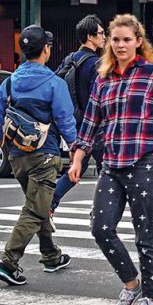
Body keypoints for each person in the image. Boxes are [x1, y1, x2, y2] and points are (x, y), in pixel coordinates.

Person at [68, 14, 153, 305]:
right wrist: (77, 159)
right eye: (115, 39)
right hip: (112, 162)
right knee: (100, 228)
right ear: (109, 43)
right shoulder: (103, 76)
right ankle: (132, 283)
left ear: (138, 42)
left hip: (146, 159)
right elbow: (90, 122)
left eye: (127, 39)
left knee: (145, 232)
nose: (120, 44)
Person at [0, 25, 76, 285]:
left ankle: (51, 255)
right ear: (46, 49)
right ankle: (8, 262)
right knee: (35, 210)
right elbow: (66, 122)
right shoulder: (54, 84)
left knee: (39, 205)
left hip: (16, 157)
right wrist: (78, 152)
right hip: (44, 156)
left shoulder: (9, 82)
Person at [50, 14, 106, 217]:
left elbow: (54, 83)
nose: (104, 37)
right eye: (101, 33)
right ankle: (102, 210)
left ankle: (49, 203)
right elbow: (98, 98)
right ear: (90, 37)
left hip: (75, 124)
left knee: (77, 168)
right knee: (106, 169)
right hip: (95, 126)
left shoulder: (69, 59)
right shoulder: (97, 64)